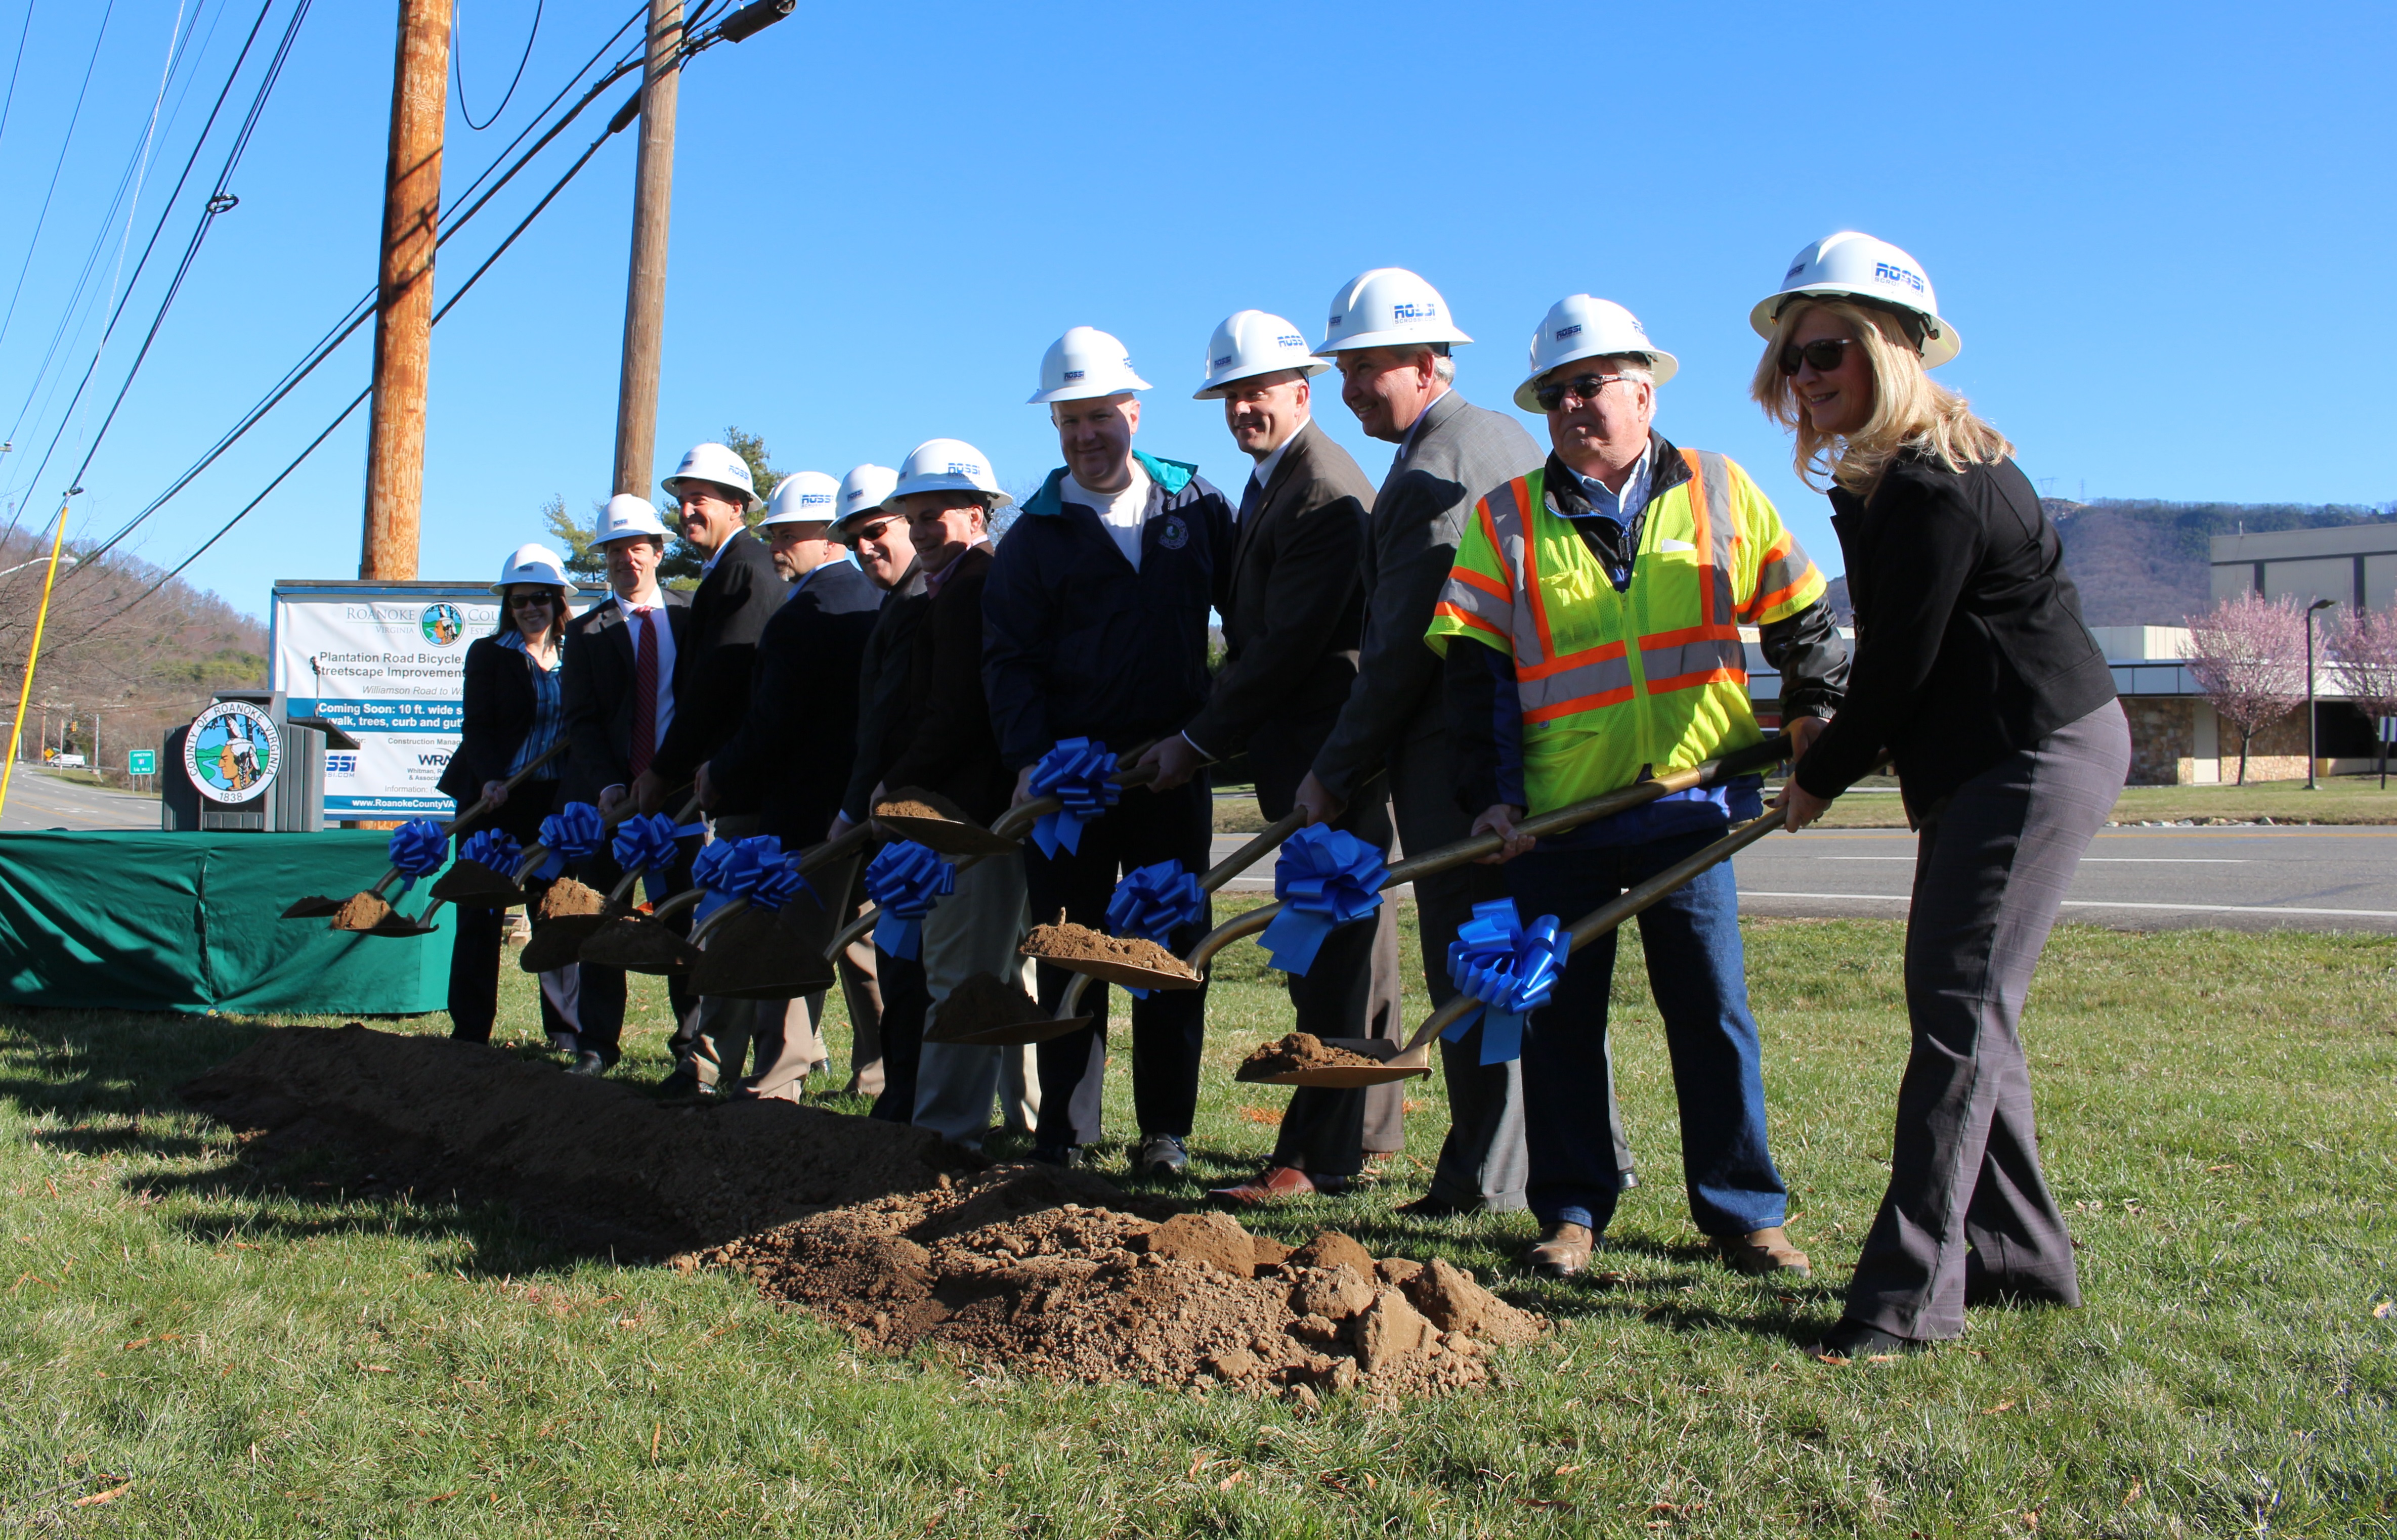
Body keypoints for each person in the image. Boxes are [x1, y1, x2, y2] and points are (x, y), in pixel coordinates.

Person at [1750, 233, 2128, 1356]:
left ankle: (1906, 1303)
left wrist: (1815, 776)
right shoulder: (1892, 477)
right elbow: (1893, 657)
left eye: (1826, 352)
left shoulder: (1931, 482)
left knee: (1958, 1011)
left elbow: (1897, 669)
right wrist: (1808, 736)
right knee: (1964, 1007)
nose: (1805, 376)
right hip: (1988, 757)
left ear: (1891, 350)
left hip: (2029, 750)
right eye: (1792, 359)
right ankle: (2018, 1257)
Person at [1431, 294, 1850, 1281]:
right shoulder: (1504, 518)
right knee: (1558, 1024)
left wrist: (1810, 719)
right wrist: (1491, 797)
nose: (1571, 406)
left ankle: (1743, 1215)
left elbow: (1801, 621)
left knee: (1710, 1013)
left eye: (1589, 385)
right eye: (1553, 394)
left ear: (1643, 391)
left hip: (1690, 813)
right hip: (1560, 819)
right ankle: (1571, 1212)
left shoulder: (1717, 488)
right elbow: (1476, 675)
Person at [1290, 268, 1553, 1217]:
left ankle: (1487, 1175)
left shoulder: (1430, 474)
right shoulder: (1503, 437)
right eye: (1345, 371)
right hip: (1527, 744)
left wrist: (1333, 770)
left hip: (1459, 757)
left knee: (1476, 959)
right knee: (1527, 955)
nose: (1353, 388)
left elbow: (1403, 649)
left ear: (1428, 364)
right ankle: (1573, 1152)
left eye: (1369, 369)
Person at [1133, 310, 1402, 1205]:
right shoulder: (1272, 481)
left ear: (1302, 388)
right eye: (1231, 394)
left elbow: (1285, 647)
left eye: (1259, 390)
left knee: (1331, 953)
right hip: (1303, 751)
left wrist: (1197, 741)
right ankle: (1363, 1135)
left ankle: (1314, 1156)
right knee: (1346, 950)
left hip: (1331, 754)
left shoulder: (1321, 489)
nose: (1244, 407)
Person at [983, 327, 1234, 1177]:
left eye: (1100, 415)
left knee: (1169, 950)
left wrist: (1212, 730)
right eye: (1069, 421)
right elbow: (1007, 660)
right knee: (1068, 951)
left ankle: (1164, 1131)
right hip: (1070, 787)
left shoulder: (1194, 505)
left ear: (1134, 411)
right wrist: (1028, 757)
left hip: (1172, 770)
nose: (1086, 435)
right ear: (1053, 427)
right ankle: (1064, 1129)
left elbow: (1249, 618)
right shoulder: (1033, 534)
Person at [869, 439, 1038, 1148]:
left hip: (970, 815)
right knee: (1003, 972)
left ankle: (945, 1133)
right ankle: (1028, 1119)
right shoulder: (966, 583)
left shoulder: (971, 588)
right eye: (912, 517)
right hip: (988, 812)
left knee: (959, 979)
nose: (919, 532)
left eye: (933, 515)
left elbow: (955, 713)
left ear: (977, 514)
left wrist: (895, 785)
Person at [697, 471, 882, 1099]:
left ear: (830, 539)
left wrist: (720, 772)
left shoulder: (801, 614)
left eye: (792, 535)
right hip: (863, 806)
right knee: (863, 946)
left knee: (790, 947)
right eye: (775, 534)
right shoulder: (873, 599)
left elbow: (770, 722)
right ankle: (880, 1074)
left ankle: (778, 1080)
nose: (778, 546)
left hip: (806, 811)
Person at [633, 442, 785, 1094]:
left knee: (729, 923)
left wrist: (664, 770)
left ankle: (710, 1067)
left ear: (739, 507)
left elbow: (718, 687)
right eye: (683, 500)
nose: (688, 510)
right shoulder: (726, 573)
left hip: (746, 781)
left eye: (702, 499)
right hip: (735, 774)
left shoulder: (744, 571)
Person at [557, 495, 696, 1077]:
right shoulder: (586, 632)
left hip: (681, 799)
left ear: (659, 553)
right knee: (603, 921)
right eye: (615, 551)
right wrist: (607, 785)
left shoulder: (692, 618)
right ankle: (597, 1045)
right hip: (610, 803)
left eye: (636, 548)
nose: (626, 560)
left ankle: (692, 1049)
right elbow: (580, 722)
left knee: (686, 921)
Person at [440, 543, 579, 1050]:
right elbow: (476, 726)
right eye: (519, 600)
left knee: (556, 915)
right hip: (492, 801)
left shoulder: (578, 654)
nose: (530, 608)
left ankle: (565, 1032)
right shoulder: (489, 654)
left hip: (552, 804)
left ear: (558, 600)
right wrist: (491, 778)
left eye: (540, 597)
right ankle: (471, 1032)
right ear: (509, 605)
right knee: (480, 914)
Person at [830, 464, 931, 1116]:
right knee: (899, 960)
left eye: (875, 532)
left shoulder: (922, 598)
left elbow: (894, 716)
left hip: (917, 816)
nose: (864, 548)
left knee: (910, 966)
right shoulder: (898, 598)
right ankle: (901, 1093)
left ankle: (906, 1100)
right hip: (895, 814)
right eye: (852, 540)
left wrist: (851, 807)